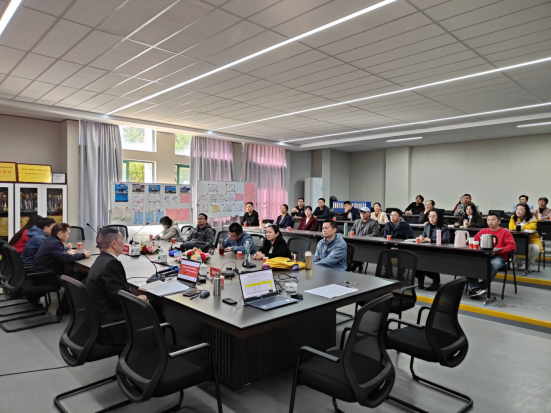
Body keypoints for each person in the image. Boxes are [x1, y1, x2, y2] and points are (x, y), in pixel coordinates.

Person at [85, 228, 150, 345]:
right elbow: (118, 300)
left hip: (97, 318)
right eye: (121, 240)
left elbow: (114, 293)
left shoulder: (101, 259)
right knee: (154, 312)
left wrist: (133, 297)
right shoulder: (111, 264)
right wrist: (137, 300)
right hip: (110, 324)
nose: (124, 243)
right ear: (113, 244)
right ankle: (148, 351)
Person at [31, 223, 91, 313]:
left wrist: (65, 249)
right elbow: (66, 258)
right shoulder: (54, 243)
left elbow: (58, 250)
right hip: (44, 276)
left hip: (39, 273)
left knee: (76, 275)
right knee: (74, 279)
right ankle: (63, 309)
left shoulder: (50, 239)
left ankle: (33, 297)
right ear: (60, 233)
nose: (68, 236)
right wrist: (83, 254)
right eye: (67, 234)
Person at [468, 213, 516, 298]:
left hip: (499, 256)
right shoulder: (483, 231)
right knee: (468, 264)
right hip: (483, 256)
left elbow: (512, 246)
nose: (490, 221)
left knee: (493, 265)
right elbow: (474, 241)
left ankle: (482, 287)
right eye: (488, 220)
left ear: (499, 221)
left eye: (493, 220)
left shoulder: (505, 232)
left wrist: (497, 251)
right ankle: (476, 287)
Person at [417, 210, 449, 291]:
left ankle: (435, 282)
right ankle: (420, 279)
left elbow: (446, 240)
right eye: (430, 216)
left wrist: (431, 241)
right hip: (427, 249)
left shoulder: (444, 227)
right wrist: (421, 237)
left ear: (439, 217)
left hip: (438, 251)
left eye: (434, 216)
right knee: (418, 258)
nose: (431, 218)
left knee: (430, 260)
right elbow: (424, 236)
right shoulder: (427, 226)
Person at [509, 204, 542, 274]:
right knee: (510, 246)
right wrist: (524, 227)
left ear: (526, 211)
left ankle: (531, 263)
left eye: (521, 210)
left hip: (532, 239)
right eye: (517, 209)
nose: (518, 211)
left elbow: (531, 228)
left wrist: (519, 226)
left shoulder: (532, 217)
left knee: (536, 248)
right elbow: (511, 227)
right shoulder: (513, 217)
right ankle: (517, 262)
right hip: (518, 239)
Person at [349, 207, 380, 272]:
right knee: (349, 246)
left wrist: (364, 237)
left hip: (366, 242)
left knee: (359, 248)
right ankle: (358, 263)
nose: (362, 214)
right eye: (361, 213)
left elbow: (376, 233)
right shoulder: (357, 221)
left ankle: (356, 263)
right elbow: (352, 231)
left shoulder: (374, 222)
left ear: (369, 213)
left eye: (364, 212)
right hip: (356, 241)